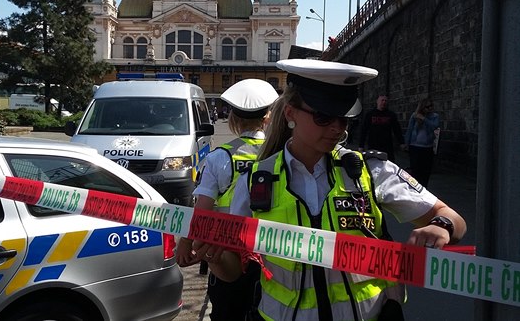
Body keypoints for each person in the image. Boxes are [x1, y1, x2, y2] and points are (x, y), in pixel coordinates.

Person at [192, 59, 466, 321]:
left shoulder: (370, 171)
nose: (337, 128)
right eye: (324, 118)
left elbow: (453, 219)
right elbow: (232, 273)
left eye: (344, 119)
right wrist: (213, 257)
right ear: (290, 113)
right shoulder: (255, 181)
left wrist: (441, 226)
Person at [177, 79, 279, 321]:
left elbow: (203, 209)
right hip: (271, 252)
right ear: (267, 117)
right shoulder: (278, 154)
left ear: (232, 118)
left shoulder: (220, 158)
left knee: (227, 312)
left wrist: (185, 242)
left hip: (227, 254)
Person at [403, 98, 440, 187]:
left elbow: (435, 127)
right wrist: (406, 143)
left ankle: (424, 189)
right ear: (422, 107)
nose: (430, 108)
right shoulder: (414, 116)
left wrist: (424, 119)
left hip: (427, 147)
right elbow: (410, 130)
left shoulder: (434, 116)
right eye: (427, 107)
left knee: (426, 171)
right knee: (415, 170)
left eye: (431, 106)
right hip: (415, 146)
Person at [358, 95, 404, 161]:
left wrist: (401, 142)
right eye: (382, 100)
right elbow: (364, 130)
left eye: (385, 101)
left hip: (387, 146)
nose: (384, 102)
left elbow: (397, 129)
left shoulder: (391, 115)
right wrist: (361, 146)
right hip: (373, 145)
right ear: (377, 102)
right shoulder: (370, 114)